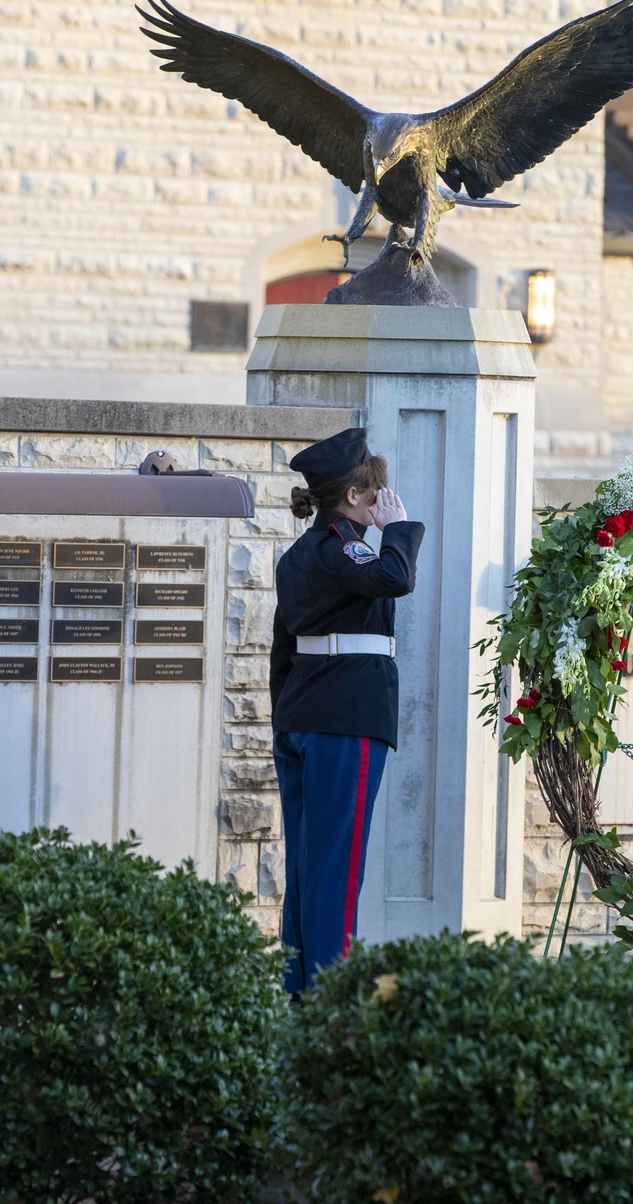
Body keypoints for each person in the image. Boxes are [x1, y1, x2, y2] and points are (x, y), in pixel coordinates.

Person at [269, 427, 424, 996]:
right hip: (345, 719)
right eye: (376, 491)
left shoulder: (298, 555)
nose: (384, 498)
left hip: (304, 717)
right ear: (356, 496)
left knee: (309, 870)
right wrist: (398, 529)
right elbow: (394, 577)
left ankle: (299, 994)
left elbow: (280, 648)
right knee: (335, 870)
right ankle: (332, 1004)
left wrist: (282, 719)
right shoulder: (345, 544)